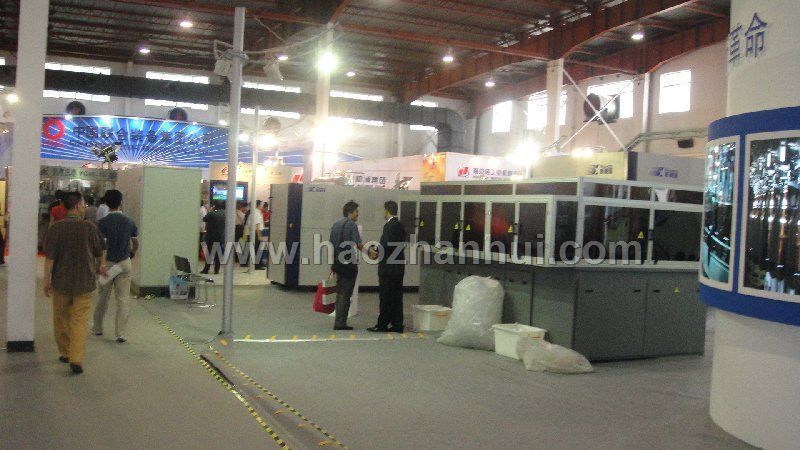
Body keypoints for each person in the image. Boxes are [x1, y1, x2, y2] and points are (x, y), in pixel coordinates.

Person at [43, 191, 105, 374]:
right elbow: (99, 251)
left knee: (60, 318)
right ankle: (76, 358)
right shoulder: (89, 227)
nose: (84, 208)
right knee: (79, 320)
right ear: (78, 206)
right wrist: (100, 265)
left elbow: (50, 258)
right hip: (84, 282)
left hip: (61, 281)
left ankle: (65, 352)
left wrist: (47, 280)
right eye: (83, 204)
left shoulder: (56, 228)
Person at [92, 189, 138, 343]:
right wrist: (132, 253)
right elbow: (135, 242)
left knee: (103, 297)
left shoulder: (102, 223)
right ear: (121, 203)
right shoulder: (129, 221)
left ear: (106, 203)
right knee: (123, 299)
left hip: (108, 265)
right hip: (124, 263)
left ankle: (97, 328)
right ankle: (120, 333)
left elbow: (100, 246)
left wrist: (100, 264)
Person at [368, 201, 408, 333]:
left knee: (385, 296)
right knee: (396, 297)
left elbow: (385, 245)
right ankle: (397, 324)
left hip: (388, 268)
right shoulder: (400, 225)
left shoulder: (389, 226)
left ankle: (382, 324)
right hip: (398, 267)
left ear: (387, 211)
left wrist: (375, 252)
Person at [329, 200, 364, 331]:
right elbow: (358, 244)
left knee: (339, 292)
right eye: (356, 212)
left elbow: (332, 243)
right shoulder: (352, 225)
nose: (357, 214)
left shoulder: (336, 225)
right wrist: (371, 253)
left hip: (337, 262)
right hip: (349, 264)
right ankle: (341, 322)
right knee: (346, 293)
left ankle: (338, 320)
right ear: (350, 212)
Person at [201, 200, 226, 274]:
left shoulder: (212, 213)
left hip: (211, 236)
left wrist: (211, 210)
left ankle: (206, 269)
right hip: (221, 236)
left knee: (209, 253)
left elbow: (204, 219)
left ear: (215, 206)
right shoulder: (225, 214)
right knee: (218, 253)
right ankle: (216, 269)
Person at [244, 201, 265, 269]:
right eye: (262, 204)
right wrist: (259, 235)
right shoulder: (256, 213)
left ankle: (255, 263)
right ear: (258, 205)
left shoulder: (255, 212)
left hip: (252, 233)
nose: (262, 206)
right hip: (255, 233)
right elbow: (257, 225)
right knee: (256, 249)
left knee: (254, 249)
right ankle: (257, 265)